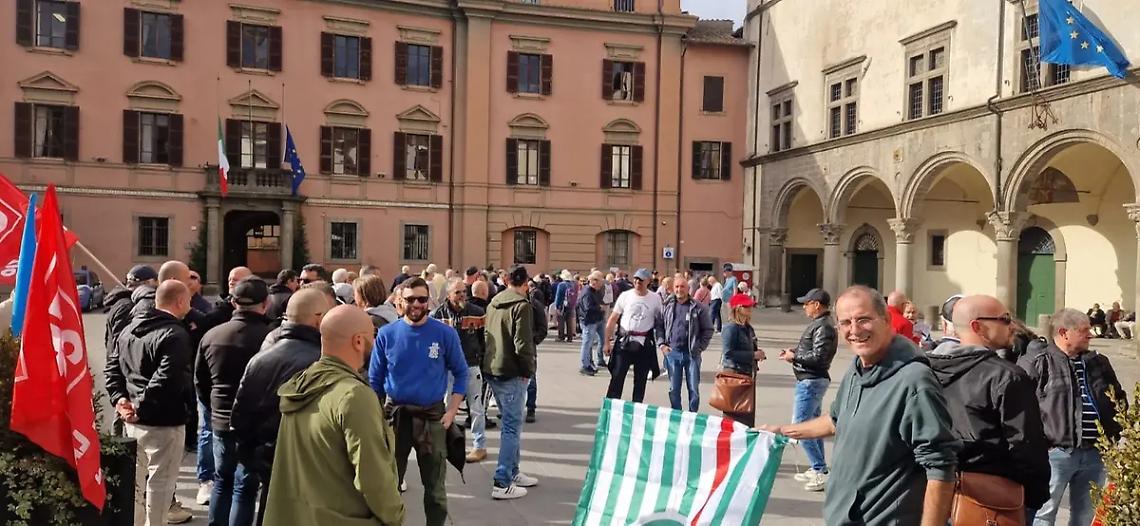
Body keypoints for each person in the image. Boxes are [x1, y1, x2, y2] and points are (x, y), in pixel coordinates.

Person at [761, 286, 961, 526]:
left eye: (863, 320)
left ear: (886, 319)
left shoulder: (914, 381)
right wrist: (783, 431)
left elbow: (940, 466)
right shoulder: (858, 368)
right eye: (845, 322)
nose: (854, 330)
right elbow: (836, 419)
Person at [263, 305, 405, 526]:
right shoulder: (354, 395)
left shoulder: (303, 382)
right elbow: (373, 477)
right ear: (358, 340)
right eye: (373, 335)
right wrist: (395, 516)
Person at [927, 295, 1051, 517]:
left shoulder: (925, 370)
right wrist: (1034, 495)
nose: (1012, 325)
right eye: (1004, 319)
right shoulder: (1006, 377)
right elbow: (1026, 444)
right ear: (978, 327)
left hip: (932, 495)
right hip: (993, 502)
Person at [368, 277, 467, 526]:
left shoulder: (444, 334)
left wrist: (452, 410)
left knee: (435, 489)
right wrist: (376, 416)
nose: (416, 304)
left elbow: (461, 373)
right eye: (410, 299)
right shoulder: (386, 335)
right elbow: (374, 381)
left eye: (421, 299)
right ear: (400, 300)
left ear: (429, 301)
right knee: (388, 485)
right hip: (395, 415)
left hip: (432, 416)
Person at [1018, 308, 1127, 526]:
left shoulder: (1099, 362)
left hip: (1095, 452)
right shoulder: (1039, 361)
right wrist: (1041, 444)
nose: (1091, 335)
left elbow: (1118, 398)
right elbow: (1021, 406)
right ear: (1064, 332)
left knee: (1086, 514)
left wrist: (1113, 434)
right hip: (1056, 453)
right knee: (1044, 512)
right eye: (1084, 330)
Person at [231, 288, 328, 526]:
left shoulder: (261, 358)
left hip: (268, 462)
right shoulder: (322, 361)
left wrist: (254, 459)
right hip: (309, 467)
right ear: (318, 318)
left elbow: (240, 418)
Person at [106, 281, 195, 526]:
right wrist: (138, 407)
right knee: (160, 485)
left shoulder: (128, 329)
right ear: (178, 301)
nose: (190, 305)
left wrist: (121, 400)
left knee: (135, 483)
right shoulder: (175, 334)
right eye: (188, 299)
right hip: (162, 423)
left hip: (132, 420)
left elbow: (113, 368)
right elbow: (167, 379)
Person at [196, 277, 273, 526]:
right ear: (265, 303)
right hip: (254, 422)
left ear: (233, 302)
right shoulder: (270, 337)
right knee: (245, 485)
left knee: (223, 480)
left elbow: (201, 380)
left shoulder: (212, 334)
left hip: (221, 416)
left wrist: (211, 408)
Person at [483, 265, 539, 499]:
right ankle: (502, 480)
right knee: (511, 427)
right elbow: (523, 344)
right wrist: (529, 369)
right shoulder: (521, 305)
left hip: (493, 367)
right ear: (525, 284)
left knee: (510, 423)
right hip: (512, 370)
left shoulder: (495, 301)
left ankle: (513, 472)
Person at [776, 288, 837, 491]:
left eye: (807, 303)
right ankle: (817, 467)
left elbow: (820, 358)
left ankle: (820, 470)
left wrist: (794, 357)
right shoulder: (819, 325)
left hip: (811, 381)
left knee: (801, 426)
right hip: (810, 379)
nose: (804, 307)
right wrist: (795, 352)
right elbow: (813, 351)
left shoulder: (824, 327)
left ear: (816, 304)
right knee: (813, 425)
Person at [431, 279, 490, 463]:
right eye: (457, 292)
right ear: (448, 294)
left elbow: (484, 339)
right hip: (447, 368)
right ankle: (446, 444)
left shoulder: (477, 313)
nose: (462, 295)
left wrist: (481, 358)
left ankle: (479, 446)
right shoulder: (437, 315)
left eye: (464, 291)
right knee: (448, 407)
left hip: (471, 365)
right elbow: (432, 343)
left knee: (477, 408)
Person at [604, 268, 664, 403]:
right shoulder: (626, 295)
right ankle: (611, 408)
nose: (638, 282)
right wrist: (607, 342)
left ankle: (636, 410)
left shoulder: (655, 299)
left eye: (641, 280)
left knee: (640, 381)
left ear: (648, 281)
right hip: (624, 342)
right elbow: (612, 319)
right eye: (636, 279)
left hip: (643, 344)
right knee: (617, 377)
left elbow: (661, 322)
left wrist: (663, 342)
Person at [654, 275, 713, 412]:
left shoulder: (698, 307)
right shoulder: (666, 306)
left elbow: (708, 330)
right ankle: (677, 415)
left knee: (693, 388)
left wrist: (700, 347)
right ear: (672, 288)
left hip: (692, 354)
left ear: (688, 289)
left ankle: (692, 415)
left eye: (682, 287)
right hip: (672, 353)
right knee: (674, 389)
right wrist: (662, 344)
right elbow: (659, 327)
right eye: (677, 287)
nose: (679, 289)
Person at [720, 293, 765, 426]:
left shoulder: (748, 328)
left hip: (747, 375)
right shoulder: (731, 328)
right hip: (734, 375)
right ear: (737, 308)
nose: (750, 309)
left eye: (751, 306)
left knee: (747, 415)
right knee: (734, 416)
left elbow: (749, 348)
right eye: (746, 306)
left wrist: (758, 354)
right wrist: (753, 355)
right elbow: (728, 353)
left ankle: (745, 443)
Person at [104, 264, 158, 350]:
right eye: (156, 282)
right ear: (147, 283)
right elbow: (121, 342)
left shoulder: (121, 301)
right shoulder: (128, 306)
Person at [525, 282, 548, 423]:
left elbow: (543, 328)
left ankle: (531, 408)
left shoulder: (534, 305)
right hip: (510, 348)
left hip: (528, 348)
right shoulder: (509, 302)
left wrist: (534, 340)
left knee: (530, 379)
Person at [577, 271, 607, 376]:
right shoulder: (587, 293)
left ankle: (594, 361)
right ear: (594, 281)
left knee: (601, 340)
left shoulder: (595, 291)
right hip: (589, 321)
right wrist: (599, 308)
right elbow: (587, 309)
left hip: (597, 319)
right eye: (600, 281)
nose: (602, 284)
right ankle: (585, 365)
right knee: (587, 343)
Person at [554, 270, 579, 342]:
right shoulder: (574, 284)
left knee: (561, 321)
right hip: (571, 305)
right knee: (569, 321)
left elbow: (558, 296)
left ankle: (561, 336)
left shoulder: (561, 285)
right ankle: (569, 337)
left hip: (562, 305)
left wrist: (557, 306)